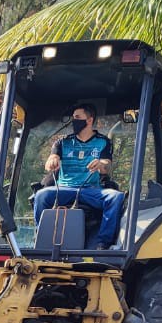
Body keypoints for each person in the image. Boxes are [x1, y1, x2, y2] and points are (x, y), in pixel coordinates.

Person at [32, 103, 125, 250]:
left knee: (115, 197)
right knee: (41, 196)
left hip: (91, 190)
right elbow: (51, 159)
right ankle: (40, 238)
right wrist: (52, 161)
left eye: (77, 117)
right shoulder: (62, 142)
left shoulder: (103, 142)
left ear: (89, 120)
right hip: (62, 189)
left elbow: (107, 165)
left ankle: (102, 243)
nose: (73, 121)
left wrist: (101, 164)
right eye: (73, 118)